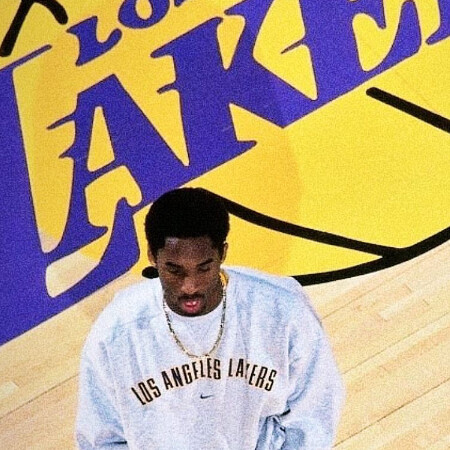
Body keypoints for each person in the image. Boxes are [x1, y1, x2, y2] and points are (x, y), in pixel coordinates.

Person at [76, 187, 344, 449]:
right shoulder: (115, 334)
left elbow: (313, 416)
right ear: (152, 257)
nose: (189, 286)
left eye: (204, 268)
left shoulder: (283, 314)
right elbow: (101, 438)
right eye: (174, 270)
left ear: (222, 254)